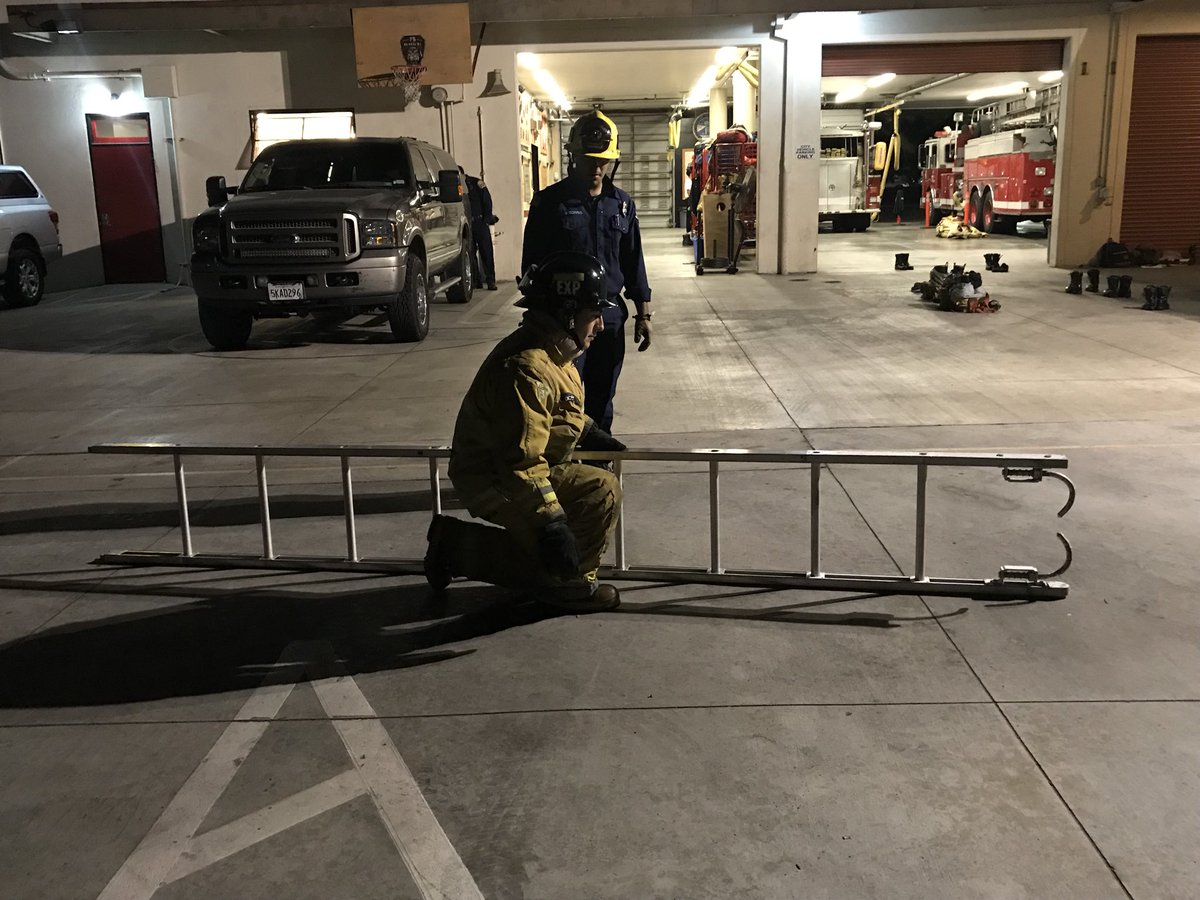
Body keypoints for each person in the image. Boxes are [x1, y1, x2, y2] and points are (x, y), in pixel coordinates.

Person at [423, 251, 629, 613]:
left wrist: (588, 431)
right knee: (560, 544)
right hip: (495, 478)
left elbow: (555, 412)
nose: (600, 324)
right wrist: (551, 522)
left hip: (516, 469)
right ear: (567, 314)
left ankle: (550, 571)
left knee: (597, 490)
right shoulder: (526, 368)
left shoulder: (554, 354)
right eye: (594, 314)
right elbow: (518, 460)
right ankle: (559, 583)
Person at [521, 110, 652, 433]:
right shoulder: (549, 203)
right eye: (588, 159)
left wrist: (643, 314)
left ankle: (598, 454)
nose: (596, 168)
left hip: (609, 318)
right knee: (563, 393)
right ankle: (563, 457)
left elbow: (633, 260)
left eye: (601, 161)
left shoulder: (621, 204)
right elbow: (532, 264)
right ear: (573, 157)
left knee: (603, 392)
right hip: (563, 320)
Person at [460, 166, 499, 290]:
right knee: (470, 254)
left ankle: (491, 280)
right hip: (466, 226)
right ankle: (476, 281)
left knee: (486, 253)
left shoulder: (476, 183)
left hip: (479, 222)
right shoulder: (458, 187)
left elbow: (487, 200)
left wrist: (487, 219)